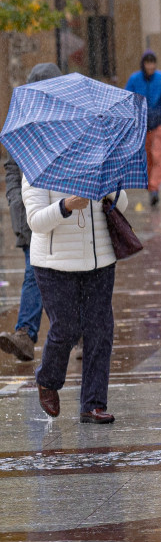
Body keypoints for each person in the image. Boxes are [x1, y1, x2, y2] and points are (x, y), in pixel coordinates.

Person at [22, 178, 129, 424]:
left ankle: (93, 404)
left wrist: (109, 187)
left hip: (99, 259)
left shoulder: (99, 163)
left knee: (100, 330)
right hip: (54, 263)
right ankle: (47, 380)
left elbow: (122, 204)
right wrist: (66, 205)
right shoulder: (40, 168)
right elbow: (36, 221)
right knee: (66, 328)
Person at [0, 63, 62, 363]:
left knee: (61, 275)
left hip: (63, 212)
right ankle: (25, 334)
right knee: (34, 271)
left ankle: (71, 331)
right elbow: (12, 170)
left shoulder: (67, 122)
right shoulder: (20, 125)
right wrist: (16, 201)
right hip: (29, 213)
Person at [124, 50, 161, 207]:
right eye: (148, 63)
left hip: (158, 125)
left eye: (153, 63)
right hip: (141, 128)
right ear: (143, 64)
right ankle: (151, 186)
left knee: (158, 156)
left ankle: (154, 188)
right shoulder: (134, 79)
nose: (150, 66)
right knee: (147, 159)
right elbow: (127, 99)